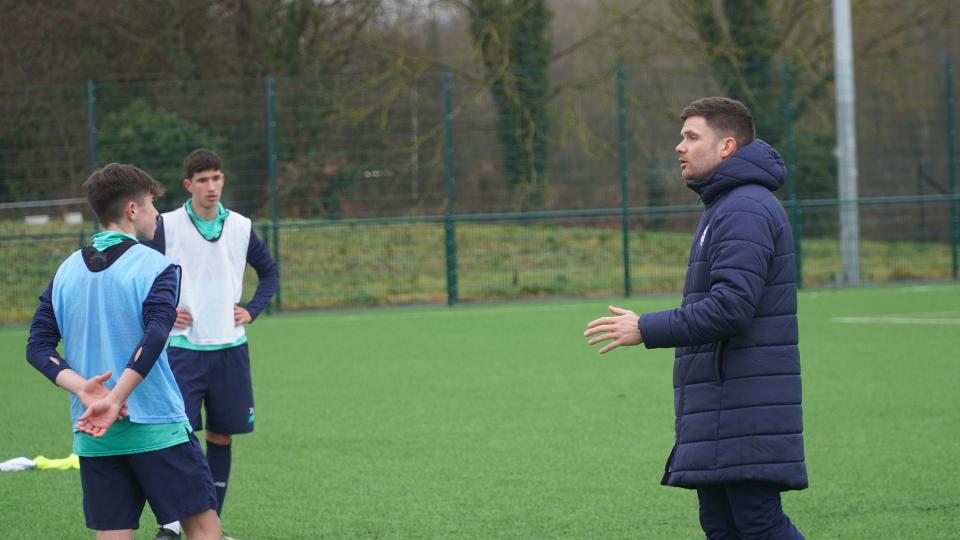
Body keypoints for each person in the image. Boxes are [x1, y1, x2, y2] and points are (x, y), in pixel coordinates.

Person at [583, 97, 807, 539]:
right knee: (723, 525)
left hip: (744, 404)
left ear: (726, 146)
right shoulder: (724, 206)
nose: (678, 147)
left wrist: (644, 327)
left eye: (690, 137)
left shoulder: (744, 209)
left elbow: (731, 307)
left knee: (757, 524)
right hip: (725, 403)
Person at [26, 163, 221, 539]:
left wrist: (85, 390)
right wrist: (115, 398)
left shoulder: (65, 271)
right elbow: (156, 334)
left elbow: (37, 346)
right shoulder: (158, 267)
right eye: (151, 204)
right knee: (204, 531)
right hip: (157, 427)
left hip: (94, 432)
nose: (156, 214)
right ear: (132, 210)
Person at [146, 149, 278, 540]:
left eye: (216, 178)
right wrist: (165, 312)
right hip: (182, 352)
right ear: (189, 185)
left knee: (221, 436)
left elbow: (268, 272)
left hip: (230, 350)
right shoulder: (166, 226)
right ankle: (170, 526)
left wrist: (252, 309)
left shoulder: (240, 226)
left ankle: (210, 528)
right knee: (176, 438)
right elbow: (140, 276)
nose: (211, 187)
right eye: (202, 180)